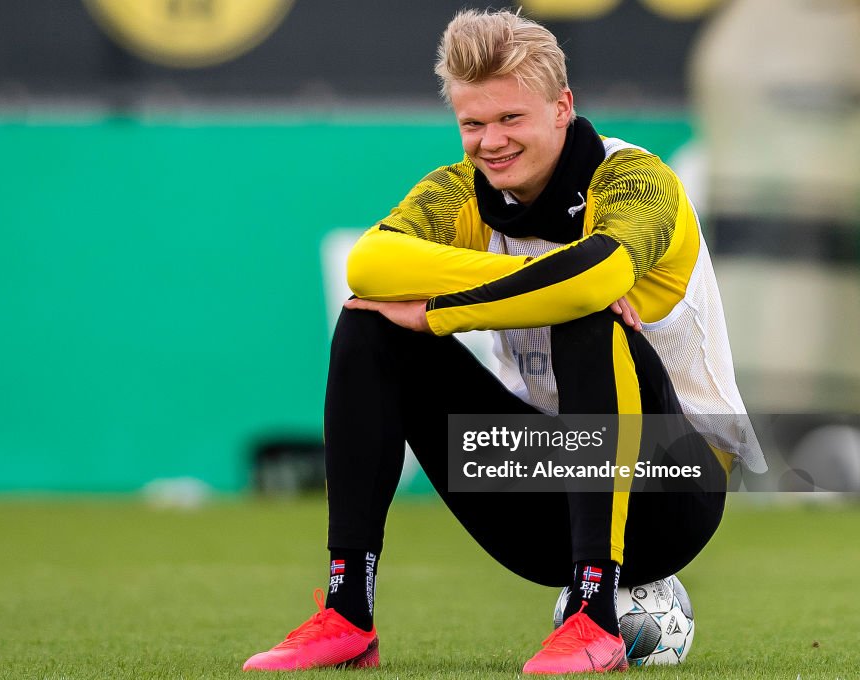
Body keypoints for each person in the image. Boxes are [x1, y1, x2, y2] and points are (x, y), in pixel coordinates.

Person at [242, 8, 764, 675]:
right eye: (472, 123)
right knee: (367, 319)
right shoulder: (458, 192)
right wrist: (550, 280)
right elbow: (370, 265)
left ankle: (595, 615)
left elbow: (597, 277)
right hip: (534, 493)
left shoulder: (638, 182)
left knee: (588, 317)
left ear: (560, 108)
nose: (490, 143)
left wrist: (436, 311)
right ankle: (349, 614)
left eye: (510, 119)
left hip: (672, 492)